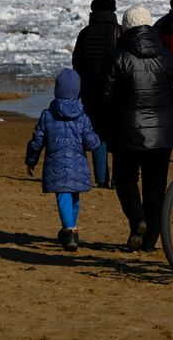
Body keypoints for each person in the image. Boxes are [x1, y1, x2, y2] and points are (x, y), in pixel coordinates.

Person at [103, 5, 173, 252]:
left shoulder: (117, 56)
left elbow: (105, 96)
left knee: (125, 180)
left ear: (126, 27)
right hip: (162, 134)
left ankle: (137, 219)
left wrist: (109, 123)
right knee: (155, 187)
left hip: (126, 132)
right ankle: (150, 240)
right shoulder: (166, 56)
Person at [25, 69, 102, 252]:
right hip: (77, 168)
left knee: (65, 197)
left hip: (56, 168)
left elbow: (37, 141)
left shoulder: (48, 115)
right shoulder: (82, 117)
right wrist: (98, 140)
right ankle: (70, 229)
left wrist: (31, 161)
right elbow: (92, 143)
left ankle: (69, 230)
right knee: (73, 197)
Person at [71, 0, 119, 188]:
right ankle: (118, 178)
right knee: (117, 135)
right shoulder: (119, 31)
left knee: (97, 135)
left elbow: (77, 64)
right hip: (116, 93)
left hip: (91, 93)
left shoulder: (85, 33)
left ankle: (101, 179)